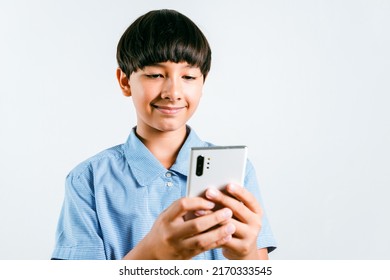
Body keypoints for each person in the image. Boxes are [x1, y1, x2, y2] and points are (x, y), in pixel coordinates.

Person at [52, 9, 276, 260]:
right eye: (156, 75)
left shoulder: (238, 171)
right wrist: (151, 254)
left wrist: (246, 256)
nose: (173, 92)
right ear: (125, 81)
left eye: (189, 76)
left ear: (203, 82)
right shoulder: (88, 180)